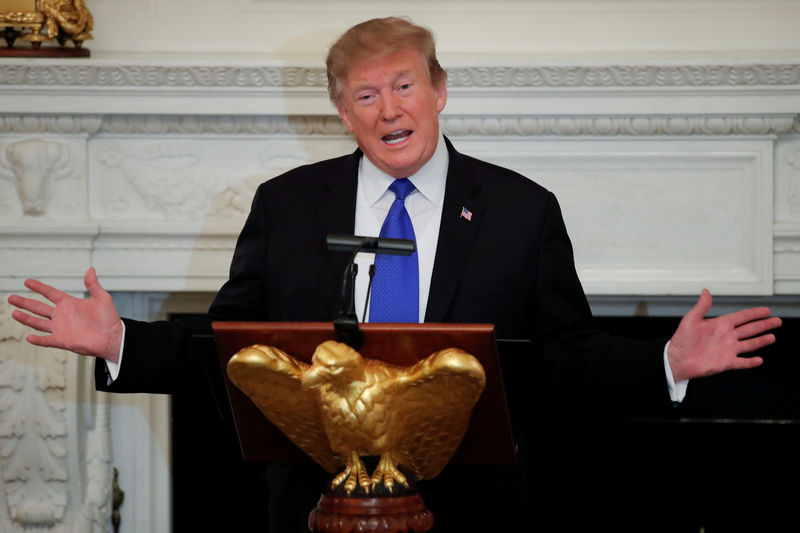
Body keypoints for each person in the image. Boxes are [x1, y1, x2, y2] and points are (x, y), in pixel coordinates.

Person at [7, 16, 781, 532]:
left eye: (405, 85)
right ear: (343, 113)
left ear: (440, 91)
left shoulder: (520, 210)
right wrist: (121, 341)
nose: (389, 109)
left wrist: (666, 362)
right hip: (316, 510)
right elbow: (237, 350)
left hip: (475, 513)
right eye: (366, 95)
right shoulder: (287, 208)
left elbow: (566, 357)